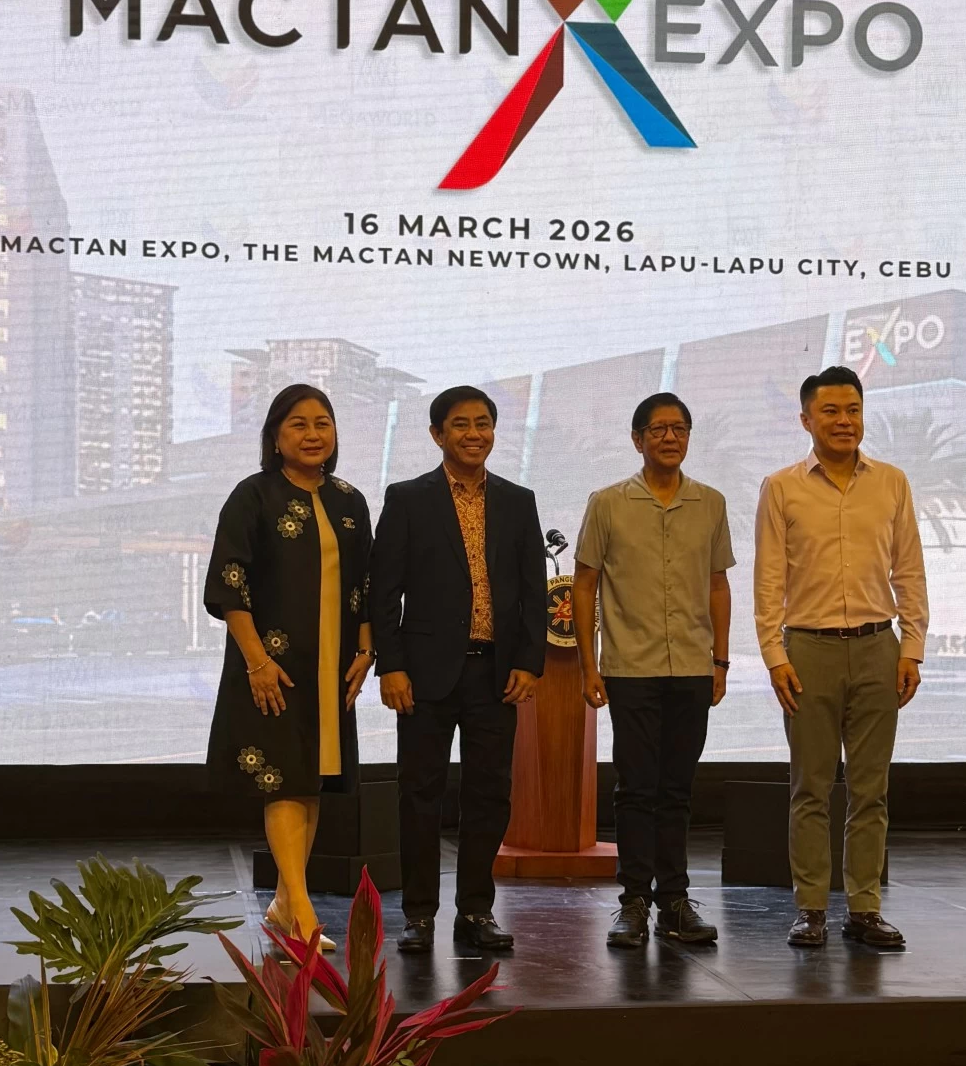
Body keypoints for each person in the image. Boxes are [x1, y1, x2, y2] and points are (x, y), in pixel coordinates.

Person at [754, 366, 928, 950]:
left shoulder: (893, 482)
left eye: (852, 409)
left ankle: (864, 907)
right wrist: (774, 656)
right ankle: (810, 908)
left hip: (881, 647)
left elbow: (909, 569)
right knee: (811, 788)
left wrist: (914, 647)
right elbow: (768, 579)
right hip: (808, 649)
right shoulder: (781, 487)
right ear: (806, 420)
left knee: (871, 789)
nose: (844, 421)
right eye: (830, 411)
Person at [370, 385, 547, 953]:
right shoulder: (407, 498)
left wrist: (528, 660)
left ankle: (475, 910)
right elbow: (383, 593)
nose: (475, 434)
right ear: (437, 434)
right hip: (423, 675)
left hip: (495, 673)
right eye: (461, 424)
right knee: (419, 794)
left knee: (490, 795)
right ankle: (419, 914)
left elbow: (533, 592)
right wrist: (390, 667)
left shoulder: (519, 501)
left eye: (484, 423)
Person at [205, 385, 374, 950]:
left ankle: (283, 901)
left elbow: (367, 586)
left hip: (333, 664)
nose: (312, 434)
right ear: (275, 437)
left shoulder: (351, 500)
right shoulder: (253, 495)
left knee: (311, 780)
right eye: (298, 424)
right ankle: (299, 909)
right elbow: (229, 583)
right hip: (272, 664)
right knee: (280, 775)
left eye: (322, 423)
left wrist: (366, 649)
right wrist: (256, 661)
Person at [572, 393, 735, 949]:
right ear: (638, 439)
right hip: (630, 667)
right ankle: (634, 901)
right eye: (659, 429)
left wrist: (721, 659)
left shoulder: (710, 503)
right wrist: (588, 665)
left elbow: (718, 584)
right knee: (636, 787)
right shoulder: (607, 502)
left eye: (680, 428)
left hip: (691, 664)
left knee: (678, 789)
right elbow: (585, 584)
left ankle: (675, 901)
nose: (670, 437)